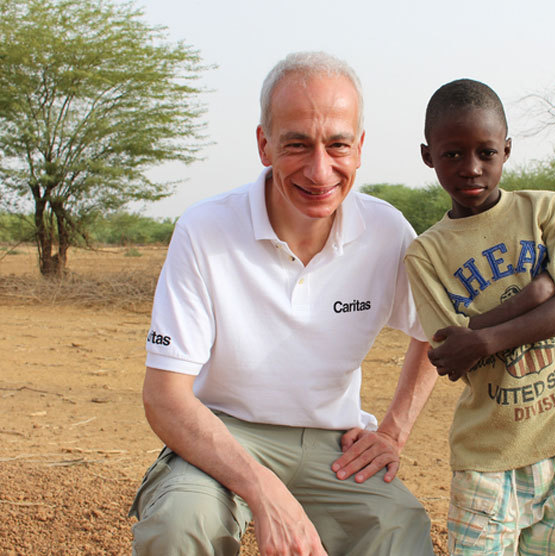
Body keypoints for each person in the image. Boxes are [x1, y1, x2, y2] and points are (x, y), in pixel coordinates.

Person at [129, 51, 438, 556]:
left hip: (333, 442)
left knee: (398, 530)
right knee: (178, 525)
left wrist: (393, 432)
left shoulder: (386, 231)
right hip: (223, 431)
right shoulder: (205, 230)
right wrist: (265, 490)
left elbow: (434, 331)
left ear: (359, 148)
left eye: (337, 144)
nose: (320, 170)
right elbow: (164, 396)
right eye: (297, 144)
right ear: (264, 145)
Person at [403, 78, 555, 555]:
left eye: (486, 152)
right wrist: (537, 294)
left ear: (507, 151)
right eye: (453, 154)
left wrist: (484, 337)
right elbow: (453, 355)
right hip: (488, 455)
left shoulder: (546, 209)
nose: (471, 167)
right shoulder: (425, 254)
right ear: (428, 155)